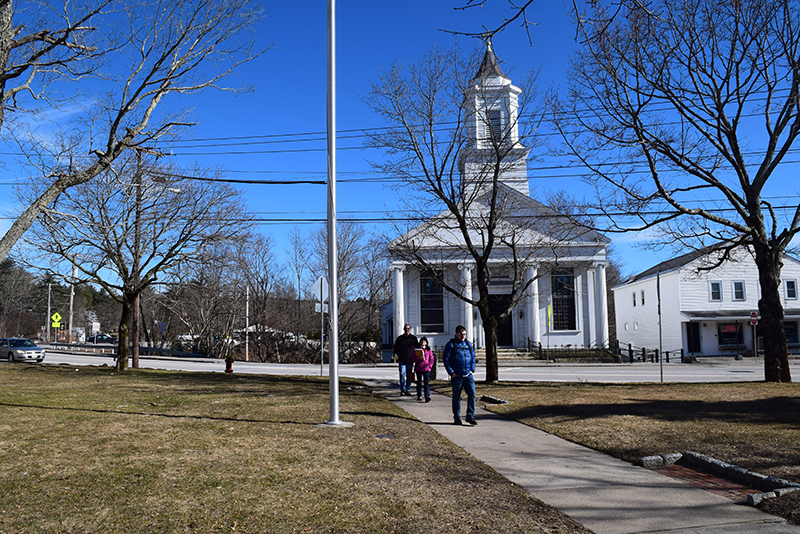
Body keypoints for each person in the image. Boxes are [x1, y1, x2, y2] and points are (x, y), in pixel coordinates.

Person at [443, 325, 477, 425]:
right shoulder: (451, 345)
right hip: (457, 376)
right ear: (456, 334)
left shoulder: (468, 344)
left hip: (468, 375)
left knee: (472, 394)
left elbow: (473, 357)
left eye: (464, 334)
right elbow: (446, 360)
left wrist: (472, 369)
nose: (463, 336)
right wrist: (451, 372)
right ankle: (457, 417)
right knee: (456, 397)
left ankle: (470, 416)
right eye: (461, 334)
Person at [393, 324, 417, 396]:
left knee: (409, 375)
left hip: (410, 360)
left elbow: (417, 349)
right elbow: (396, 348)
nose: (407, 330)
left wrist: (415, 358)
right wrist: (399, 355)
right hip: (402, 360)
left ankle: (408, 389)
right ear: (404, 329)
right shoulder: (400, 339)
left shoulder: (413, 339)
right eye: (406, 329)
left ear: (410, 329)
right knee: (402, 374)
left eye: (408, 328)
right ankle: (402, 390)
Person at [414, 337, 434, 402]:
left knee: (426, 382)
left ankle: (427, 396)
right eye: (422, 341)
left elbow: (432, 358)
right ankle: (419, 395)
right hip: (419, 368)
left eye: (424, 341)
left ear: (426, 342)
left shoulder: (428, 350)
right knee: (419, 382)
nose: (423, 342)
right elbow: (413, 358)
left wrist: (430, 366)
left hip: (426, 368)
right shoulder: (416, 349)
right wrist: (419, 359)